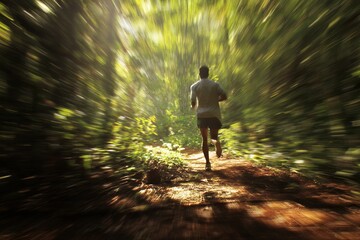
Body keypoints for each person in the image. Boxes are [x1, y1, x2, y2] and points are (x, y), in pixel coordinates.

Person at [190, 65, 227, 171]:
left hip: (202, 115)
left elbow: (193, 102)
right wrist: (216, 100)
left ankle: (207, 164)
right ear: (208, 73)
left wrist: (193, 107)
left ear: (199, 74)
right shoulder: (215, 85)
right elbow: (224, 96)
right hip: (214, 114)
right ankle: (217, 144)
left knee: (204, 139)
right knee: (214, 137)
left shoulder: (194, 86)